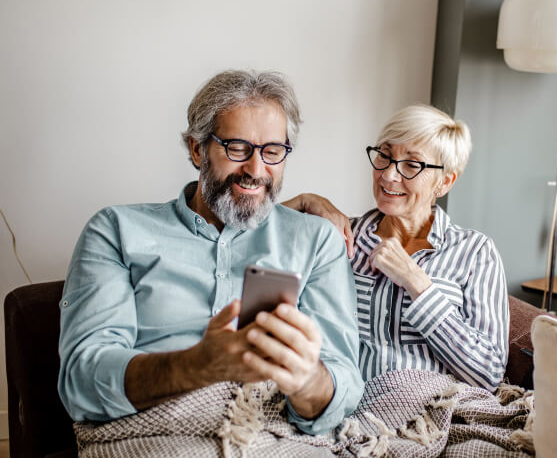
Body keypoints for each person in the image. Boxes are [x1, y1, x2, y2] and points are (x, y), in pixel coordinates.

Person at [58, 70, 363, 435]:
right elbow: (82, 381)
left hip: (271, 433)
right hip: (154, 434)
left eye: (273, 151)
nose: (256, 169)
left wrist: (306, 380)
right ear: (196, 148)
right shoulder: (116, 230)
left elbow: (344, 387)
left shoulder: (315, 241)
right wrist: (197, 366)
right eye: (237, 147)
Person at [287, 105, 509, 391]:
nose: (389, 175)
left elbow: (488, 373)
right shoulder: (340, 236)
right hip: (346, 407)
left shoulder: (475, 253)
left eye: (411, 165)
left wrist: (417, 283)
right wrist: (303, 202)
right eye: (385, 155)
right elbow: (244, 247)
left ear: (444, 182)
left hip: (430, 413)